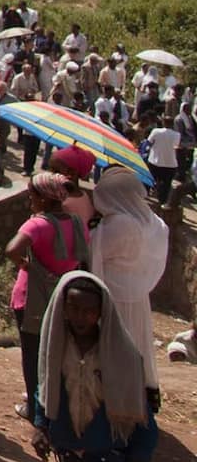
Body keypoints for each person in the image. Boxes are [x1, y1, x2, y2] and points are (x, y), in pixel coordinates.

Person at [31, 272, 160, 462]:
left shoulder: (121, 354)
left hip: (107, 447)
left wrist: (140, 459)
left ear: (101, 312)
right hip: (69, 444)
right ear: (63, 307)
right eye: (74, 308)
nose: (80, 317)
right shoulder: (56, 349)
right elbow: (46, 389)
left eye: (89, 311)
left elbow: (139, 408)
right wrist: (40, 426)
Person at [7, 171, 93, 421]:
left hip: (31, 297)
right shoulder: (76, 222)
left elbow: (12, 249)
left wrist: (26, 265)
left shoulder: (38, 223)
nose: (29, 199)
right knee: (54, 354)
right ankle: (54, 406)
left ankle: (35, 411)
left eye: (32, 195)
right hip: (63, 295)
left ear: (43, 198)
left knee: (32, 356)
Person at [89, 167, 170, 396]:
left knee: (112, 349)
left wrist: (94, 228)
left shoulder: (120, 225)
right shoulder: (152, 222)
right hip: (137, 295)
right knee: (137, 346)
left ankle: (113, 398)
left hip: (113, 296)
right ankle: (136, 397)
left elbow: (94, 251)